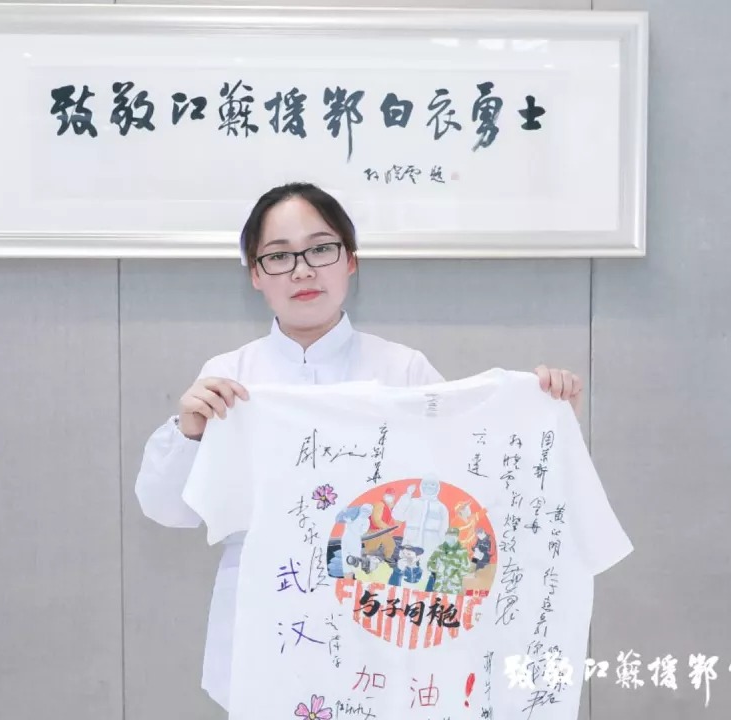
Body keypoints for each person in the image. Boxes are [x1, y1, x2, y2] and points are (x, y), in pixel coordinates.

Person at [134, 181, 584, 713]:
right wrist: (189, 431)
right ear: (255, 273)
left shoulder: (403, 369)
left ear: (350, 260)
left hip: (379, 621)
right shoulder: (230, 377)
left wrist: (538, 412)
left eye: (320, 249)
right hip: (267, 619)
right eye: (278, 256)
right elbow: (170, 509)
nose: (302, 270)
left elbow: (469, 488)